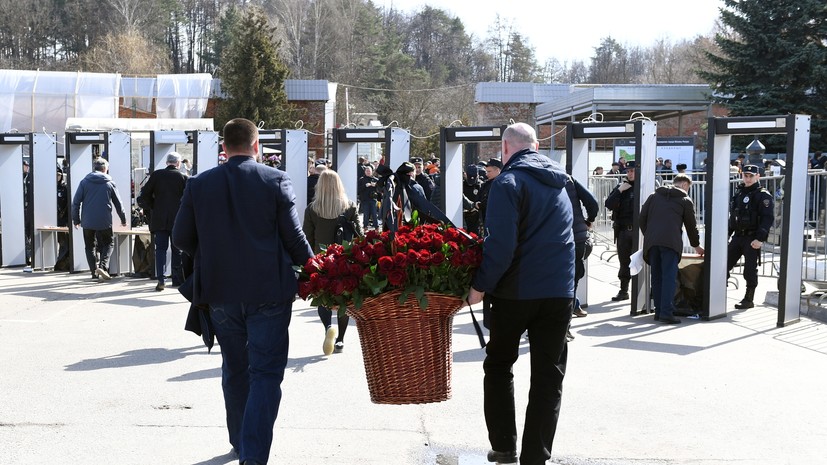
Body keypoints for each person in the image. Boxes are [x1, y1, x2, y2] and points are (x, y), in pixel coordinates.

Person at [172, 118, 313, 465]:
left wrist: (212, 254)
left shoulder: (198, 184)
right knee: (265, 373)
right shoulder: (275, 180)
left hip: (220, 291)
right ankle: (252, 455)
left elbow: (180, 239)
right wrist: (317, 271)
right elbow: (294, 239)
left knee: (234, 369)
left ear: (223, 148)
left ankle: (240, 442)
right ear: (256, 146)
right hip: (268, 290)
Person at [467, 122, 574, 465]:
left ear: (505, 147)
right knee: (549, 377)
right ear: (536, 146)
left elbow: (500, 246)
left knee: (499, 366)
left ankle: (503, 446)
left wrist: (479, 286)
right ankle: (535, 457)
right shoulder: (561, 182)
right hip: (559, 291)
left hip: (516, 291)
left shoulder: (507, 183)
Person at [303, 170, 363, 355]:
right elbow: (359, 236)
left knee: (323, 298)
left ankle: (328, 326)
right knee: (343, 300)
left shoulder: (312, 209)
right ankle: (340, 340)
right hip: (344, 260)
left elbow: (306, 237)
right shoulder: (350, 207)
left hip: (321, 261)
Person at [639, 174, 704, 324]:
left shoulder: (654, 196)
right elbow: (691, 226)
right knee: (669, 277)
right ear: (685, 186)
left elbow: (642, 218)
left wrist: (649, 235)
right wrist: (696, 245)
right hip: (670, 243)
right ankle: (666, 313)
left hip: (652, 243)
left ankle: (659, 311)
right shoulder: (685, 200)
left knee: (656, 276)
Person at [137, 152, 188, 291]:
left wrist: (153, 206)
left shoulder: (156, 175)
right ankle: (177, 280)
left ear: (167, 162)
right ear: (178, 163)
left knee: (160, 250)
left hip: (159, 219)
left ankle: (161, 279)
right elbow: (189, 200)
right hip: (177, 220)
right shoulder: (183, 177)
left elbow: (143, 196)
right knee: (177, 250)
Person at [71, 157, 128, 280]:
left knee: (90, 246)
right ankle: (102, 266)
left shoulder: (84, 182)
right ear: (105, 169)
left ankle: (94, 272)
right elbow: (118, 203)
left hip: (87, 221)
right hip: (104, 221)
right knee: (108, 243)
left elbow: (75, 202)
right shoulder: (109, 183)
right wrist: (123, 219)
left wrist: (76, 220)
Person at [727, 164, 774, 309]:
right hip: (738, 236)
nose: (747, 178)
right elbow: (734, 216)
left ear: (757, 176)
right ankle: (715, 294)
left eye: (750, 176)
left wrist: (760, 238)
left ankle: (748, 299)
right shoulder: (739, 193)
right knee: (723, 265)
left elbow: (767, 218)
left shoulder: (763, 195)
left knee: (749, 270)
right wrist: (727, 234)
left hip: (752, 237)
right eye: (745, 175)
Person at [565, 175, 599, 321]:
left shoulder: (529, 179)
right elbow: (592, 203)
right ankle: (565, 326)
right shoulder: (568, 179)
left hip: (550, 242)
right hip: (577, 239)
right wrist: (589, 220)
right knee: (571, 283)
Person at [604, 161, 637, 302]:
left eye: (632, 171)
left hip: (639, 231)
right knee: (624, 262)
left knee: (642, 261)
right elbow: (608, 204)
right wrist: (619, 191)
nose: (629, 173)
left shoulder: (645, 186)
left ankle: (646, 292)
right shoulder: (622, 187)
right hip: (623, 231)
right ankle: (624, 290)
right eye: (628, 171)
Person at [54, 166, 72, 271]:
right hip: (52, 218)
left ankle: (62, 263)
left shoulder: (65, 188)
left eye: (59, 175)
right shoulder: (50, 188)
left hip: (63, 219)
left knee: (64, 243)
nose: (57, 177)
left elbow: (68, 205)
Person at [357, 165, 379, 229]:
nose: (368, 172)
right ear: (365, 172)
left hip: (373, 199)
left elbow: (380, 190)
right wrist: (365, 186)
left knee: (374, 214)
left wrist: (375, 186)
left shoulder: (375, 179)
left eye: (369, 171)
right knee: (366, 214)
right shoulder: (361, 179)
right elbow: (358, 190)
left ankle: (376, 227)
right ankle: (365, 227)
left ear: (372, 172)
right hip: (365, 200)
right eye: (367, 171)